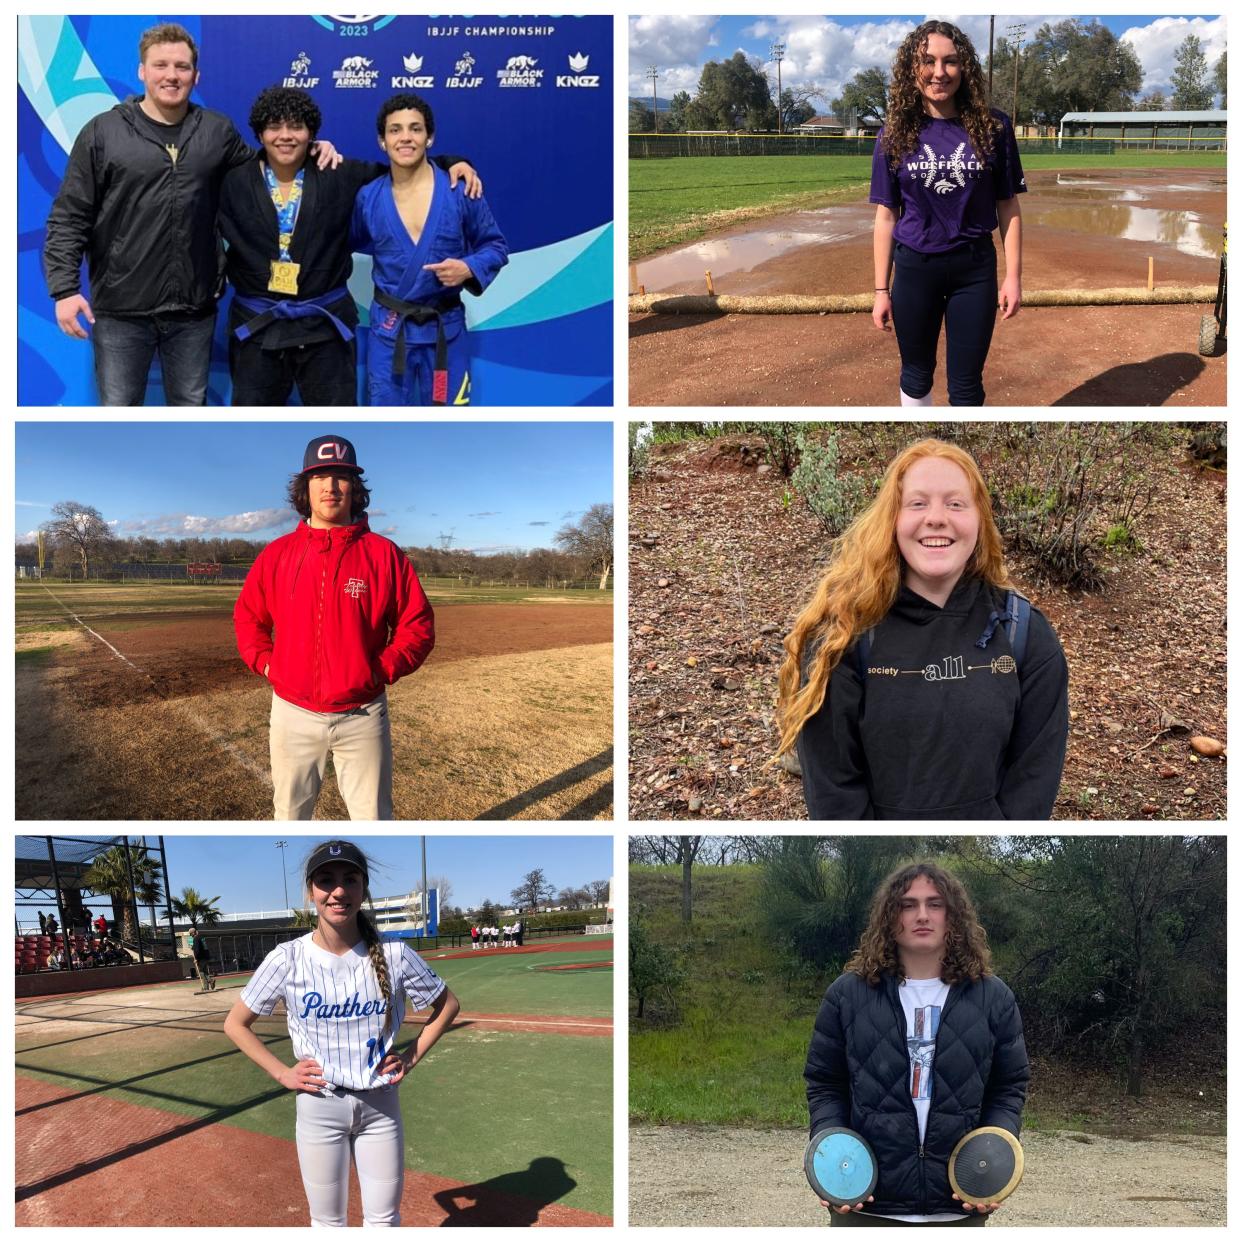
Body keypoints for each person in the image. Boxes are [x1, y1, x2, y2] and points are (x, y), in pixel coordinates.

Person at [41, 22, 342, 406]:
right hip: (120, 312)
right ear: (142, 71)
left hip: (193, 313)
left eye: (181, 67)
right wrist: (64, 289)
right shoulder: (103, 133)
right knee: (119, 416)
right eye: (161, 65)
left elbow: (264, 175)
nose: (171, 75)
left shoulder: (216, 131)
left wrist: (308, 148)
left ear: (195, 75)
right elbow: (70, 216)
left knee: (190, 411)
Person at [776, 439, 1068, 819]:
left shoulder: (1025, 634)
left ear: (980, 519)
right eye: (917, 503)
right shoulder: (841, 638)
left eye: (955, 503)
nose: (936, 517)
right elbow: (834, 793)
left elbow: (1034, 778)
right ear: (892, 519)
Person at [223, 840, 460, 1227]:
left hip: (381, 1105)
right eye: (326, 880)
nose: (338, 891)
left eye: (350, 880)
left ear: (363, 889)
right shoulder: (287, 958)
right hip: (319, 1106)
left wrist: (411, 1057)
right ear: (310, 890)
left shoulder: (394, 953)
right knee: (327, 1223)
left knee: (384, 1221)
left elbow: (447, 1006)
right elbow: (236, 1023)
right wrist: (282, 1073)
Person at [218, 86, 482, 406]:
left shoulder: (338, 172)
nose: (285, 136)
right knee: (254, 431)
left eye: (296, 127)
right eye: (274, 126)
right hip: (257, 328)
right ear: (259, 133)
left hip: (325, 330)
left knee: (337, 427)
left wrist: (454, 162)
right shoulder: (232, 182)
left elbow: (402, 169)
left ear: (311, 133)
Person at [804, 861, 1029, 1226]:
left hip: (957, 1206)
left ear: (953, 916)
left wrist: (991, 1164)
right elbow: (825, 1084)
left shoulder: (993, 998)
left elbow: (1007, 1088)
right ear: (890, 917)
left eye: (935, 904)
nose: (922, 915)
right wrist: (833, 1163)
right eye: (908, 905)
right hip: (869, 1204)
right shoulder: (847, 996)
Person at [233, 434, 435, 819]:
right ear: (305, 488)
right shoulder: (277, 554)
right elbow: (248, 618)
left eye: (342, 476)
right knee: (290, 816)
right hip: (292, 711)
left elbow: (417, 624)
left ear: (354, 488)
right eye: (320, 476)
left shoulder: (383, 554)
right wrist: (266, 663)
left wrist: (379, 669)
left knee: (373, 819)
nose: (330, 486)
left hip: (362, 714)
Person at [870, 21, 1025, 406]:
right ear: (912, 68)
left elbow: (1008, 205)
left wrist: (1014, 278)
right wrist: (880, 290)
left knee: (968, 384)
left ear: (964, 68)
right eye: (928, 61)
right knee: (917, 375)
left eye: (950, 62)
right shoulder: (894, 131)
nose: (939, 72)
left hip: (973, 271)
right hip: (914, 269)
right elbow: (886, 215)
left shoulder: (994, 126)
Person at [351, 94, 509, 405]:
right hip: (389, 334)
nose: (406, 137)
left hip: (444, 335)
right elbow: (339, 247)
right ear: (382, 141)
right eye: (395, 130)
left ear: (430, 137)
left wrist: (468, 268)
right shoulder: (367, 198)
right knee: (387, 426)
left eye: (415, 129)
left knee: (447, 422)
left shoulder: (461, 190)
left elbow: (495, 245)